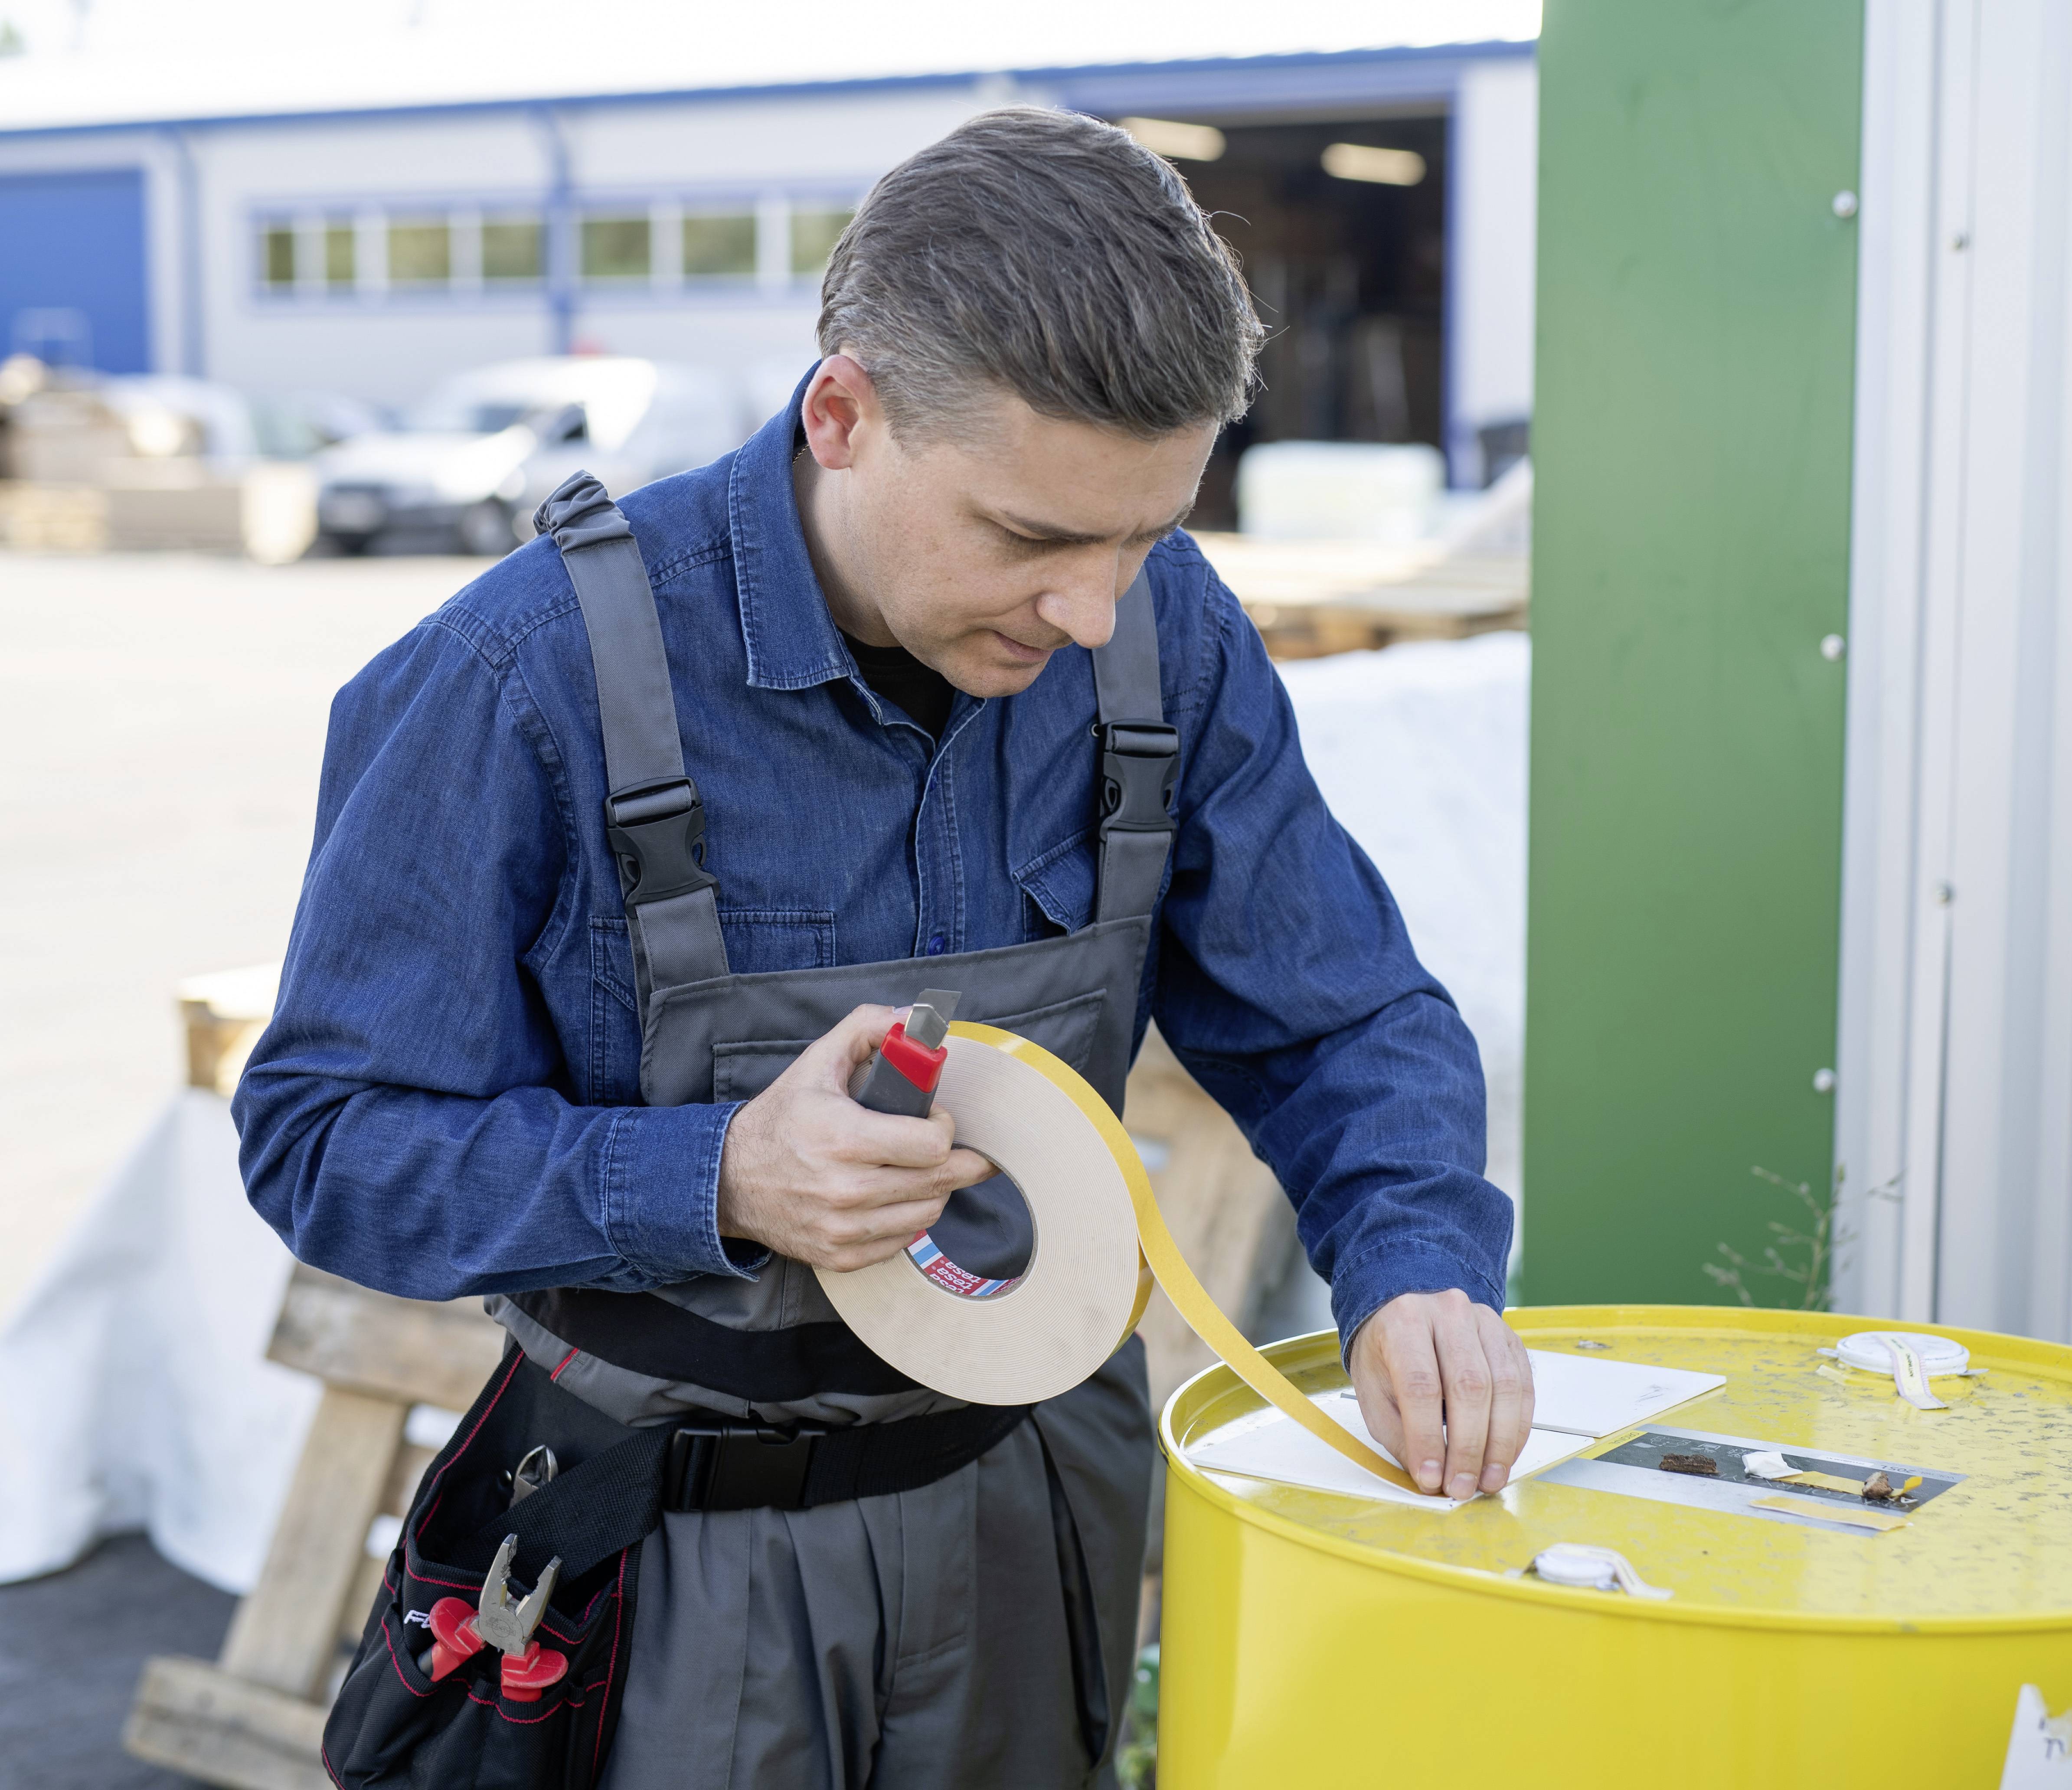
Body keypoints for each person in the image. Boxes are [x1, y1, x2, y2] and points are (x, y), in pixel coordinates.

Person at [234, 107, 1527, 1788]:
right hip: (656, 1553)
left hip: (1038, 1504)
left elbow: (1339, 1015)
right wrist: (711, 1180)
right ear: (841, 413)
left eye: (1141, 535)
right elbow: (328, 1141)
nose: (1091, 613)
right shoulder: (519, 682)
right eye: (1030, 538)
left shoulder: (1167, 634)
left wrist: (1416, 1257)